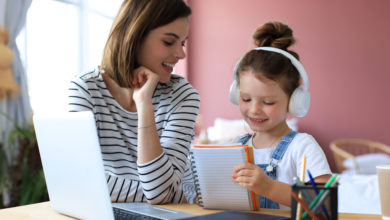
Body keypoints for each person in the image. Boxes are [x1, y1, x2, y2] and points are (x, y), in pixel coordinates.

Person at [67, 0, 200, 204]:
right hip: (112, 210)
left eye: (182, 42)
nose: (181, 54)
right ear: (134, 36)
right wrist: (161, 194)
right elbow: (77, 181)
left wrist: (144, 105)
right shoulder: (85, 89)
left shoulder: (183, 95)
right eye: (168, 42)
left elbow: (160, 193)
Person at [229, 21, 331, 209]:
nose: (254, 110)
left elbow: (323, 204)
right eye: (246, 98)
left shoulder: (302, 147)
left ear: (294, 101)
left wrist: (268, 187)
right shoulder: (235, 146)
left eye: (268, 102)